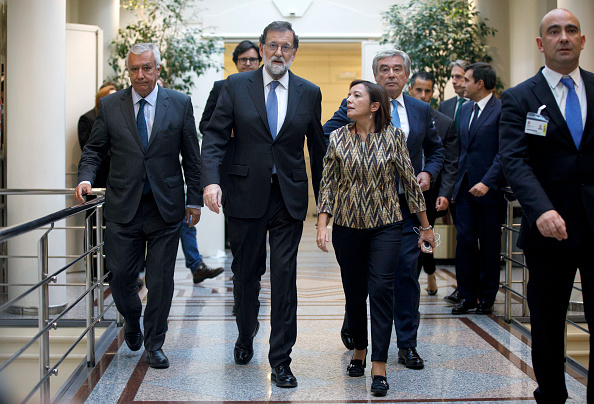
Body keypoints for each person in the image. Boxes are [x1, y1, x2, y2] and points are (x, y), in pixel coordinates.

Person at [201, 21, 326, 388]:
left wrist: (325, 209)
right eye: (272, 45)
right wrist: (210, 180)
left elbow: (318, 151)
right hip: (243, 193)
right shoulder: (236, 85)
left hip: (288, 197)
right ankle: (245, 333)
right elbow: (214, 135)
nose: (278, 53)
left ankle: (282, 360)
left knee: (285, 279)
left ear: (294, 52)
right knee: (246, 275)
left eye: (286, 47)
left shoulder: (308, 91)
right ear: (262, 47)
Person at [75, 43, 202, 369]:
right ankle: (132, 320)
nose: (141, 75)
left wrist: (195, 199)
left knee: (161, 282)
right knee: (120, 278)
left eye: (147, 68)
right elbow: (94, 149)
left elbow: (191, 156)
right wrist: (85, 178)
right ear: (128, 71)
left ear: (158, 69)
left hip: (165, 209)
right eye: (134, 69)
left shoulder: (179, 103)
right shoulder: (110, 105)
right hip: (123, 207)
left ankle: (155, 342)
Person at [324, 49, 444, 369]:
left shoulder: (420, 109)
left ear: (407, 74)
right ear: (376, 76)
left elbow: (435, 150)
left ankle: (407, 344)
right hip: (362, 212)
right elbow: (326, 137)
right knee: (360, 278)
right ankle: (357, 327)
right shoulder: (355, 106)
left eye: (397, 69)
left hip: (405, 208)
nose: (391, 74)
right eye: (384, 69)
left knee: (404, 275)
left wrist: (428, 172)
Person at [499, 8, 593, 402]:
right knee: (549, 320)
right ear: (541, 44)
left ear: (583, 40)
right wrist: (542, 209)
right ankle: (552, 394)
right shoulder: (520, 97)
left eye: (571, 30)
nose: (564, 37)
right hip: (547, 228)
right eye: (554, 31)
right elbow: (514, 159)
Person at [198, 40, 262, 311]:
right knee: (238, 232)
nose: (248, 64)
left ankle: (250, 281)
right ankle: (241, 282)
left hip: (260, 170)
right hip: (232, 169)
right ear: (235, 62)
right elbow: (206, 125)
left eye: (252, 59)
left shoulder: (265, 88)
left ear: (259, 61)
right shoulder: (222, 87)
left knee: (258, 233)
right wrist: (232, 129)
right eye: (243, 60)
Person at [451, 63, 505, 315]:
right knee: (464, 242)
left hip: (489, 189)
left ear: (480, 84)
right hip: (464, 188)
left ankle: (487, 296)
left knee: (490, 245)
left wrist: (487, 181)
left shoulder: (501, 110)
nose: (462, 84)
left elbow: (504, 152)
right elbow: (461, 150)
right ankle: (467, 294)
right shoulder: (466, 109)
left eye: (467, 80)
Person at [407, 71, 458, 295]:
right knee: (411, 240)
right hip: (400, 191)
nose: (423, 95)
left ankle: (423, 277)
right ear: (410, 90)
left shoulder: (445, 123)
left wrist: (445, 193)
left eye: (427, 91)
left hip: (430, 193)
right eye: (418, 90)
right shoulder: (396, 115)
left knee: (423, 237)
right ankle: (424, 276)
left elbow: (450, 162)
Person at [438, 59, 470, 305]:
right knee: (462, 237)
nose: (455, 81)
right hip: (450, 180)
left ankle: (473, 288)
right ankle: (463, 287)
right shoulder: (445, 106)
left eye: (460, 76)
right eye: (453, 76)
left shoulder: (479, 106)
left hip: (472, 181)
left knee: (471, 238)